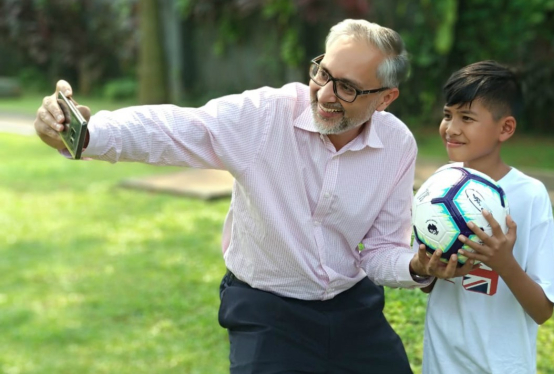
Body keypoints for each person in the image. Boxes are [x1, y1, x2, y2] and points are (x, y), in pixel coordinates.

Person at [34, 19, 471, 374]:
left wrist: (415, 265)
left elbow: (377, 251)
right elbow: (174, 128)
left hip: (352, 306)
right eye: (323, 73)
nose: (324, 94)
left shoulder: (397, 146)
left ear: (385, 99)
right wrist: (83, 133)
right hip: (266, 309)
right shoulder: (263, 116)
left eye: (347, 88)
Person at [418, 61, 554, 374]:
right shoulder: (439, 185)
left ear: (505, 128)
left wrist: (503, 262)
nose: (451, 128)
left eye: (466, 118)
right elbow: (429, 283)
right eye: (447, 115)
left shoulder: (529, 195)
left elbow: (543, 310)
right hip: (441, 363)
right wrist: (430, 270)